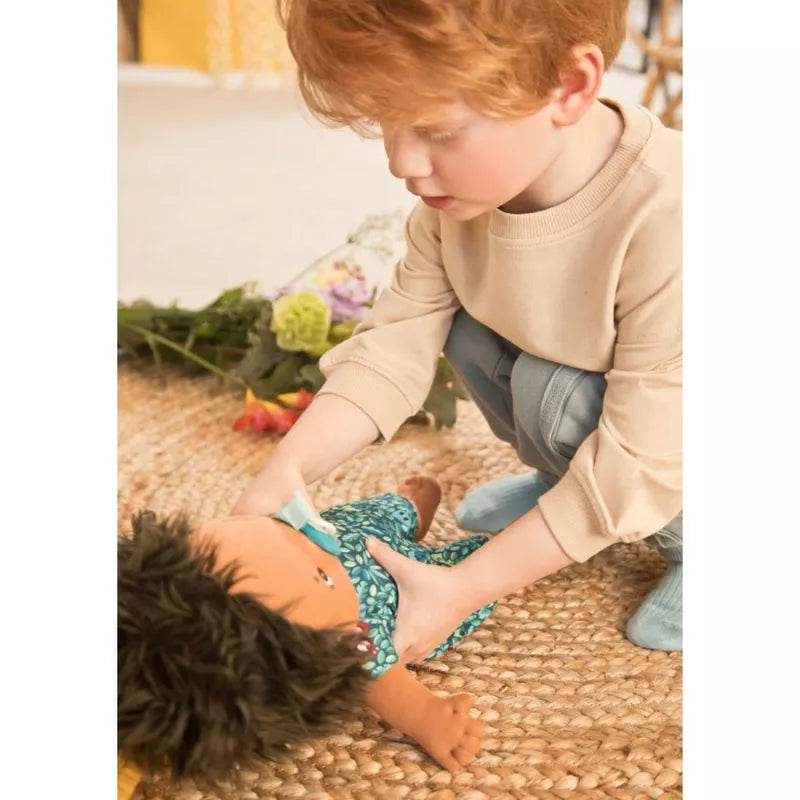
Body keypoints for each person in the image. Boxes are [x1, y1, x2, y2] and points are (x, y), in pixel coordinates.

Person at [233, 0, 682, 659]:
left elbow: (642, 458)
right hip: (607, 400)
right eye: (387, 123)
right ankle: (562, 479)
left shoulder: (672, 215)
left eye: (436, 130)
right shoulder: (458, 206)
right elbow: (394, 346)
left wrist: (464, 585)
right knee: (473, 331)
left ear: (570, 87)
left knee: (559, 394)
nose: (401, 162)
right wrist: (288, 467)